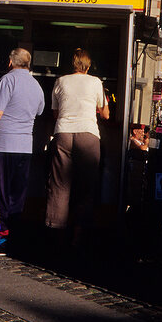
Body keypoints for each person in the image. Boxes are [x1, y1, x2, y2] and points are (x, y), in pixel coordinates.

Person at [0, 47, 45, 256]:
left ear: (10, 62)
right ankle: (13, 238)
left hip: (3, 145)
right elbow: (39, 111)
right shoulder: (36, 85)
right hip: (25, 148)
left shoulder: (7, 80)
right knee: (16, 196)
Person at [45, 49, 109, 242]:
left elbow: (55, 113)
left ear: (72, 64)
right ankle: (80, 232)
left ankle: (54, 230)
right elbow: (105, 114)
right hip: (88, 134)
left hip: (63, 132)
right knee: (86, 185)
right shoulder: (96, 82)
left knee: (59, 184)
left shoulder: (61, 81)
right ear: (88, 66)